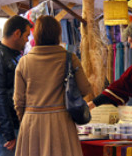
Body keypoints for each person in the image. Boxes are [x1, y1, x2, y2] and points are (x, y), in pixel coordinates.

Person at [13, 15, 92, 156]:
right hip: (61, 122)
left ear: (36, 34)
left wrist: (24, 120)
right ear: (58, 34)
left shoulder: (24, 62)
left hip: (32, 123)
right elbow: (85, 89)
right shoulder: (69, 58)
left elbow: (18, 101)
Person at [0, 15, 32, 156]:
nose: (27, 40)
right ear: (17, 33)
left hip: (14, 127)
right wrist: (8, 133)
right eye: (26, 35)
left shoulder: (15, 57)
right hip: (1, 131)